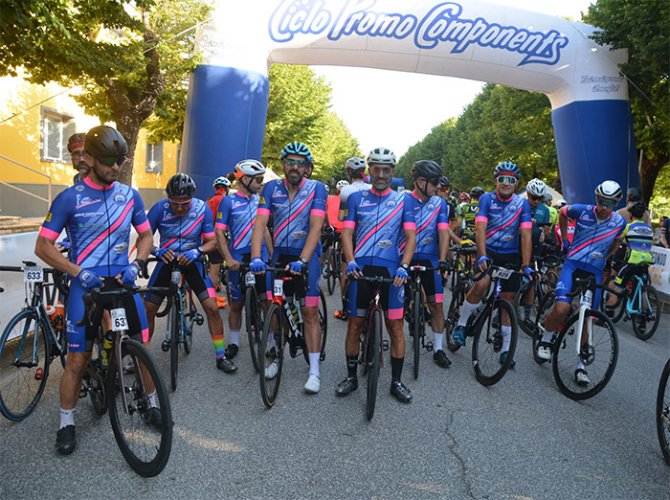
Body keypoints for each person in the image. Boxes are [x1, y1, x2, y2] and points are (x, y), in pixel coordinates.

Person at [34, 125, 154, 455]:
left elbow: (145, 236)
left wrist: (138, 263)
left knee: (141, 348)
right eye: (108, 160)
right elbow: (43, 246)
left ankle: (153, 404)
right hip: (86, 286)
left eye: (121, 160)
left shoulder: (130, 196)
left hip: (122, 282)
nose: (116, 166)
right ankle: (66, 424)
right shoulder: (69, 198)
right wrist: (77, 272)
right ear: (89, 158)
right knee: (77, 359)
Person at [335, 147, 418, 403]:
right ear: (369, 171)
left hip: (392, 271)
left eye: (386, 169)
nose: (381, 174)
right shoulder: (356, 199)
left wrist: (404, 265)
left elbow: (411, 236)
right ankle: (351, 377)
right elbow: (347, 233)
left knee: (395, 327)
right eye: (376, 169)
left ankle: (396, 381)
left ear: (392, 172)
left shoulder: (404, 201)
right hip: (360, 269)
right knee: (355, 324)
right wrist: (350, 262)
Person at [249, 142, 328, 394]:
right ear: (283, 164)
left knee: (309, 313)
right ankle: (275, 353)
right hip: (280, 256)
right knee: (275, 307)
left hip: (306, 256)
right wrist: (255, 257)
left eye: (300, 163)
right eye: (290, 162)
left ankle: (314, 370)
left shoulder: (317, 189)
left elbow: (316, 226)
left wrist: (304, 260)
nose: (295, 167)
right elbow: (260, 222)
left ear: (307, 168)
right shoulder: (271, 188)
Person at [536, 181, 626, 385]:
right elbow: (562, 214)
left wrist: (606, 257)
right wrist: (566, 240)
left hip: (593, 273)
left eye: (610, 203)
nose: (604, 207)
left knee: (587, 319)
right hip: (572, 266)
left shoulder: (619, 223)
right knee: (561, 308)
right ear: (596, 199)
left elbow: (615, 242)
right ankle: (546, 340)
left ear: (616, 204)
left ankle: (581, 366)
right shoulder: (581, 210)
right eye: (602, 201)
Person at [144, 173, 237, 373]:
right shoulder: (159, 208)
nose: (179, 208)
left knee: (212, 307)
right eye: (174, 203)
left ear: (192, 198)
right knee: (148, 309)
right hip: (166, 262)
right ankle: (142, 357)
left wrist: (198, 251)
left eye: (184, 204)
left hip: (192, 262)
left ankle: (220, 356)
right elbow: (144, 238)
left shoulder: (202, 209)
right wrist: (156, 251)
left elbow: (212, 241)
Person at [451, 161, 533, 366]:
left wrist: (525, 264)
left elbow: (526, 234)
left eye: (510, 180)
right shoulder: (487, 199)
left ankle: (506, 350)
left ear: (516, 183)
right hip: (489, 251)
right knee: (481, 284)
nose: (506, 183)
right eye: (502, 179)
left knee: (508, 299)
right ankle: (461, 325)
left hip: (511, 254)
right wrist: (481, 255)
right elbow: (480, 229)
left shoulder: (522, 204)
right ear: (496, 181)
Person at [215, 159, 273, 360]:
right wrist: (228, 259)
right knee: (236, 305)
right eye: (258, 179)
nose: (261, 183)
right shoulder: (228, 201)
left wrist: (272, 258)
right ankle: (234, 342)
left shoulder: (261, 201)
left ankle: (272, 342)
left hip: (261, 255)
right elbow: (219, 232)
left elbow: (264, 230)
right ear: (245, 179)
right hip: (237, 258)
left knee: (267, 301)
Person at [404, 160, 452, 368]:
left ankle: (438, 348)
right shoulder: (403, 200)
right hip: (405, 257)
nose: (438, 187)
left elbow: (443, 232)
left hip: (431, 258)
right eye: (434, 182)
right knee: (398, 303)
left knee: (436, 304)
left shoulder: (440, 204)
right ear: (421, 182)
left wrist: (442, 260)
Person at [334, 158, 371, 320]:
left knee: (345, 272)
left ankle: (345, 308)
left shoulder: (347, 190)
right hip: (368, 237)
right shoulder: (371, 187)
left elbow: (341, 217)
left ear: (349, 172)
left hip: (352, 236)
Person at [206, 176, 232, 308]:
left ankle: (214, 296)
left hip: (207, 238)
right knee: (214, 269)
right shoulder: (223, 200)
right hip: (215, 238)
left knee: (213, 267)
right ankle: (212, 299)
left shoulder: (210, 200)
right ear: (226, 189)